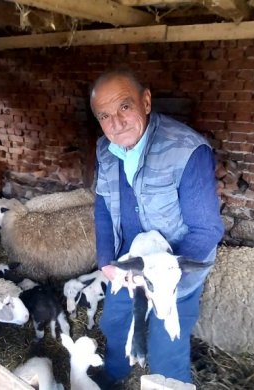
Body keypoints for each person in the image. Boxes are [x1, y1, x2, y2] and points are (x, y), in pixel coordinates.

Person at [91, 67, 224, 384]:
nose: (117, 123)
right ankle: (113, 377)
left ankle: (168, 381)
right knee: (114, 324)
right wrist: (106, 262)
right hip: (127, 265)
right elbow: (102, 208)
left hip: (170, 273)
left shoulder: (188, 150)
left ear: (146, 101)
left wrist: (161, 277)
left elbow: (207, 230)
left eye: (125, 106)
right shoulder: (104, 150)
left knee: (166, 348)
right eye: (104, 116)